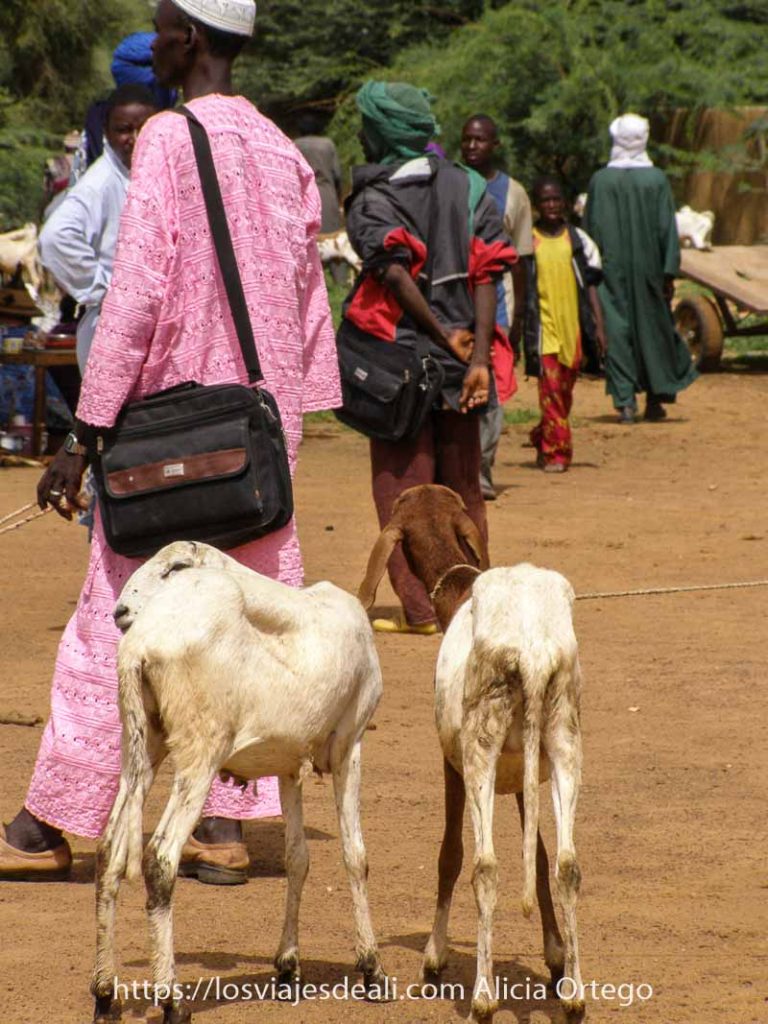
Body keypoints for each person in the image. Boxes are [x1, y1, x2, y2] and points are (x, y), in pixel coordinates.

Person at [0, 0, 339, 885]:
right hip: (262, 434)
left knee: (112, 622)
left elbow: (142, 291)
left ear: (188, 40)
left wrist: (87, 429)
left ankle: (49, 825)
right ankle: (225, 828)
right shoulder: (284, 153)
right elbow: (309, 303)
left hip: (170, 432)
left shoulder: (166, 140)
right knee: (253, 627)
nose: (153, 42)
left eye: (160, 28)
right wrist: (289, 419)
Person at [340, 80, 517, 634]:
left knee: (404, 492)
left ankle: (421, 610)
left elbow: (393, 274)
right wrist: (478, 357)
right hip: (462, 365)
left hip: (398, 366)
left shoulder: (373, 198)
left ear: (378, 132)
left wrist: (442, 339)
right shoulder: (469, 186)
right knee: (464, 490)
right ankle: (472, 607)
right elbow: (488, 273)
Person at [585, 113, 697, 424]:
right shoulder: (657, 180)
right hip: (650, 272)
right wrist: (668, 272)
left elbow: (589, 232)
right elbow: (667, 230)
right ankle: (655, 398)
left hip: (609, 273)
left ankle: (625, 403)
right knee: (654, 331)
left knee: (617, 333)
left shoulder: (600, 181)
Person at [40, 84, 158, 373]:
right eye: (124, 130)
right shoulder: (101, 183)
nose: (135, 138)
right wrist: (106, 290)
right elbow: (54, 238)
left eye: (144, 128)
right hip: (111, 331)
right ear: (106, 131)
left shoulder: (144, 176)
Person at [460, 114, 532, 499]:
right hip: (451, 306)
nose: (472, 146)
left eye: (481, 140)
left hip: (497, 307)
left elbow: (520, 261)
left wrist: (518, 319)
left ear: (495, 145)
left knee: (489, 393)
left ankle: (481, 471)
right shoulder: (450, 182)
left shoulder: (514, 193)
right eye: (467, 139)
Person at [524, 176, 606, 473]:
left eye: (556, 199)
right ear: (536, 205)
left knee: (563, 395)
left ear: (566, 204)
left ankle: (541, 435)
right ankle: (557, 454)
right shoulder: (528, 241)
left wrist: (598, 326)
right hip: (544, 329)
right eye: (545, 200)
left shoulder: (579, 241)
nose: (551, 205)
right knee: (552, 392)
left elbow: (592, 287)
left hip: (573, 329)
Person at [293, 115, 347, 285]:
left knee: (309, 239)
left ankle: (311, 282)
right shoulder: (327, 144)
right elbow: (337, 174)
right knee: (335, 239)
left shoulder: (295, 145)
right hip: (327, 194)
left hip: (305, 196)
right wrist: (338, 197)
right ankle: (341, 281)